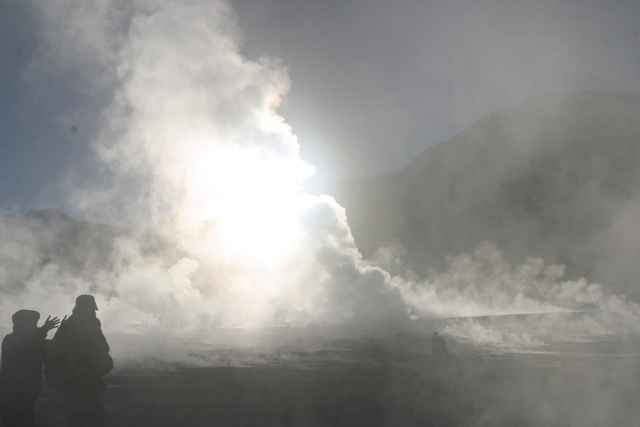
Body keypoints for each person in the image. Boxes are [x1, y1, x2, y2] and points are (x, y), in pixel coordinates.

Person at [51, 295, 112, 427]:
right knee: (85, 414)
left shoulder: (79, 323)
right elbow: (101, 347)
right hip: (80, 377)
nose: (93, 312)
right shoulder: (80, 324)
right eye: (91, 308)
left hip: (84, 376)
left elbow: (102, 347)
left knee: (85, 414)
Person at [0, 310, 60, 427]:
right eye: (33, 323)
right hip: (15, 392)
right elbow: (26, 345)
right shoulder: (11, 340)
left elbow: (48, 347)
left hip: (24, 392)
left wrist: (62, 333)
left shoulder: (23, 339)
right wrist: (43, 330)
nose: (35, 326)